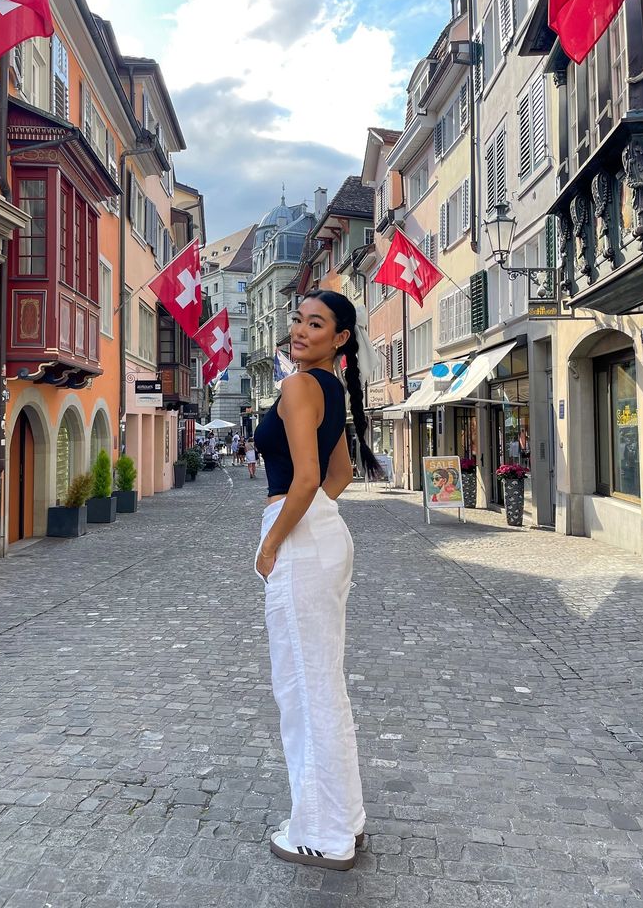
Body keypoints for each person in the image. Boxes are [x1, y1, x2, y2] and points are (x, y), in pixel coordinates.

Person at [253, 289, 382, 872]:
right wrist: (317, 522)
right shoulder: (327, 387)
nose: (301, 331)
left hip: (303, 536)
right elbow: (342, 472)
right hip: (323, 533)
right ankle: (344, 819)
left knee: (303, 689)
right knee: (323, 685)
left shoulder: (299, 386)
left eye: (316, 323)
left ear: (340, 339)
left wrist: (276, 540)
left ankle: (322, 833)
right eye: (298, 320)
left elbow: (307, 478)